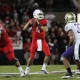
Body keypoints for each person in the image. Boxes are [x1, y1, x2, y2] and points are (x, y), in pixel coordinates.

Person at [23, 9, 51, 75]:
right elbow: (24, 29)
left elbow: (46, 30)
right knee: (31, 57)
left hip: (42, 40)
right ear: (35, 15)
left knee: (48, 54)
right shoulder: (32, 20)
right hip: (34, 40)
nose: (41, 16)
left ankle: (43, 68)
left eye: (41, 14)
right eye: (39, 15)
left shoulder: (43, 21)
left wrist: (39, 24)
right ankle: (27, 69)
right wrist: (29, 23)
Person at [61, 12, 80, 79]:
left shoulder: (68, 25)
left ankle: (70, 73)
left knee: (64, 56)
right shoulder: (78, 23)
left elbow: (72, 38)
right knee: (76, 58)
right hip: (78, 43)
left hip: (78, 43)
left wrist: (69, 45)